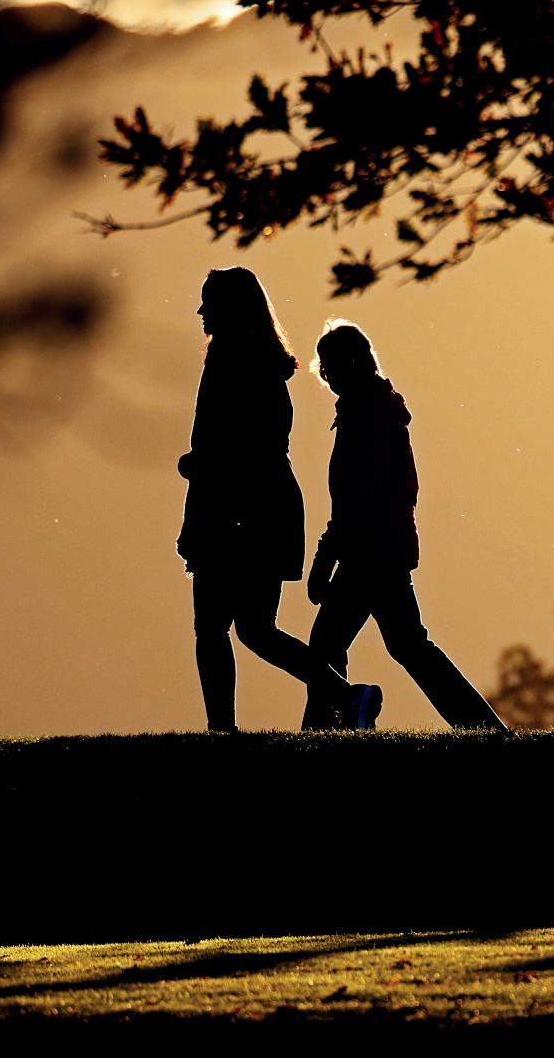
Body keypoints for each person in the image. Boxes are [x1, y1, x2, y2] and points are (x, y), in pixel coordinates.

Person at [178, 266, 379, 734]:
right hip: (269, 509)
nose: (202, 310)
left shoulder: (230, 364)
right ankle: (346, 696)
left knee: (214, 628)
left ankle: (222, 730)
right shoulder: (266, 366)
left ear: (231, 309)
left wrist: (197, 466)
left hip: (236, 512)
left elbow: (233, 449)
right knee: (255, 628)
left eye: (210, 302)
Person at [303, 319, 507, 731]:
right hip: (385, 547)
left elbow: (355, 497)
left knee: (330, 646)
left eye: (331, 365)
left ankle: (326, 730)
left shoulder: (364, 415)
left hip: (369, 551)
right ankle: (483, 727)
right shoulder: (378, 409)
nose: (327, 375)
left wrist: (325, 558)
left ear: (351, 364)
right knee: (405, 646)